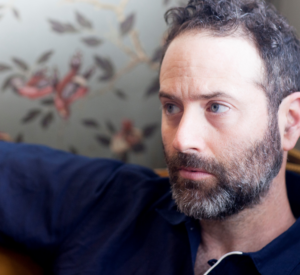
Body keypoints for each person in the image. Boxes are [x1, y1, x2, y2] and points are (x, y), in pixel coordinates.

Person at [1, 0, 300, 274]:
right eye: (171, 107)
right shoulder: (110, 199)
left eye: (216, 107)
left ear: (289, 123)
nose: (182, 139)